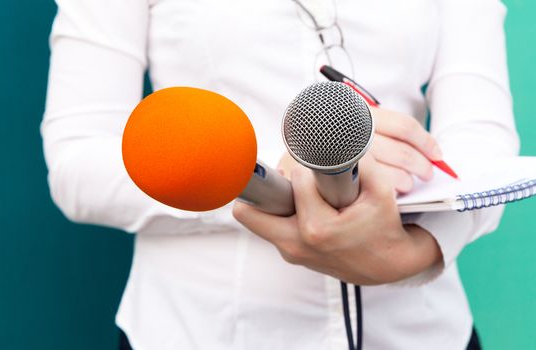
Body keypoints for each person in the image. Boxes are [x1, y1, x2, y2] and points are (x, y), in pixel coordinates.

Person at [42, 0, 519, 349]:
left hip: (424, 333)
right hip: (199, 331)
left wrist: (419, 253)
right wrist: (295, 166)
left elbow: (482, 143)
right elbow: (78, 164)